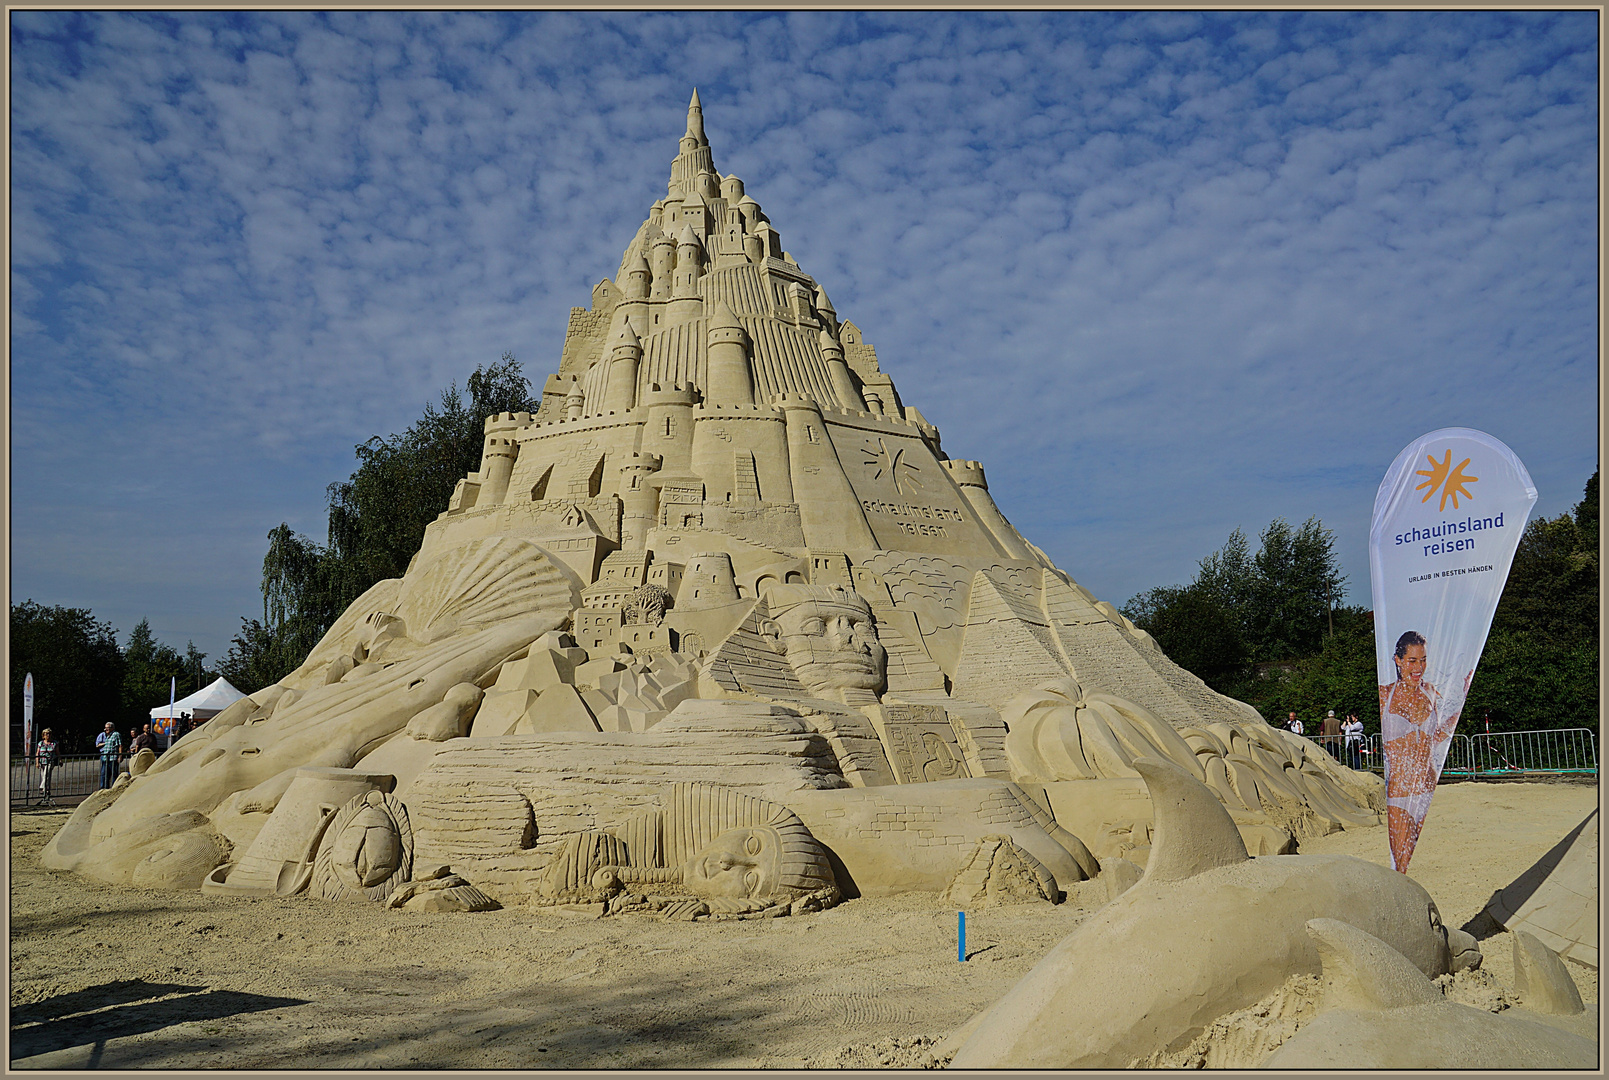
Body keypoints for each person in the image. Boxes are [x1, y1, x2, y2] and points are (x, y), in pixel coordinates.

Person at [1378, 630, 1468, 862]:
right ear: (1398, 661)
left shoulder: (1429, 691)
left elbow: (1436, 736)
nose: (1419, 667)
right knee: (1402, 862)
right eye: (1412, 661)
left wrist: (1462, 700)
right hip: (1400, 794)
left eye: (1423, 660)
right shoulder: (1384, 695)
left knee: (1426, 862)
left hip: (1427, 790)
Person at [95, 722, 123, 789]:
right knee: (104, 775)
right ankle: (104, 788)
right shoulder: (107, 736)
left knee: (114, 774)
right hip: (106, 758)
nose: (106, 729)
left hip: (113, 758)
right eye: (106, 728)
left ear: (112, 728)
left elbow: (120, 745)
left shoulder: (116, 734)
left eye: (108, 728)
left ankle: (114, 788)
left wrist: (120, 755)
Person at [35, 728, 59, 806]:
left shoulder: (54, 743)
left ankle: (43, 788)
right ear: (43, 735)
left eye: (49, 734)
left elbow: (57, 752)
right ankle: (47, 791)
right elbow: (37, 753)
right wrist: (37, 762)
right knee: (44, 776)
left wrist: (60, 760)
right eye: (46, 734)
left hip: (50, 761)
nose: (48, 735)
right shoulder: (41, 743)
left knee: (47, 775)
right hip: (42, 762)